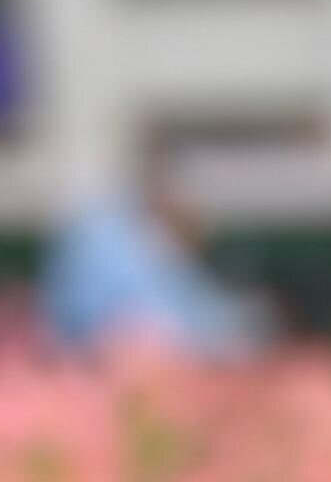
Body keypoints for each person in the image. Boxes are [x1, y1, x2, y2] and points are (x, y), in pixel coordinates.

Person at [42, 145, 260, 357]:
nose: (201, 223)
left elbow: (213, 322)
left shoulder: (161, 249)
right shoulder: (106, 236)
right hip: (96, 369)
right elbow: (149, 333)